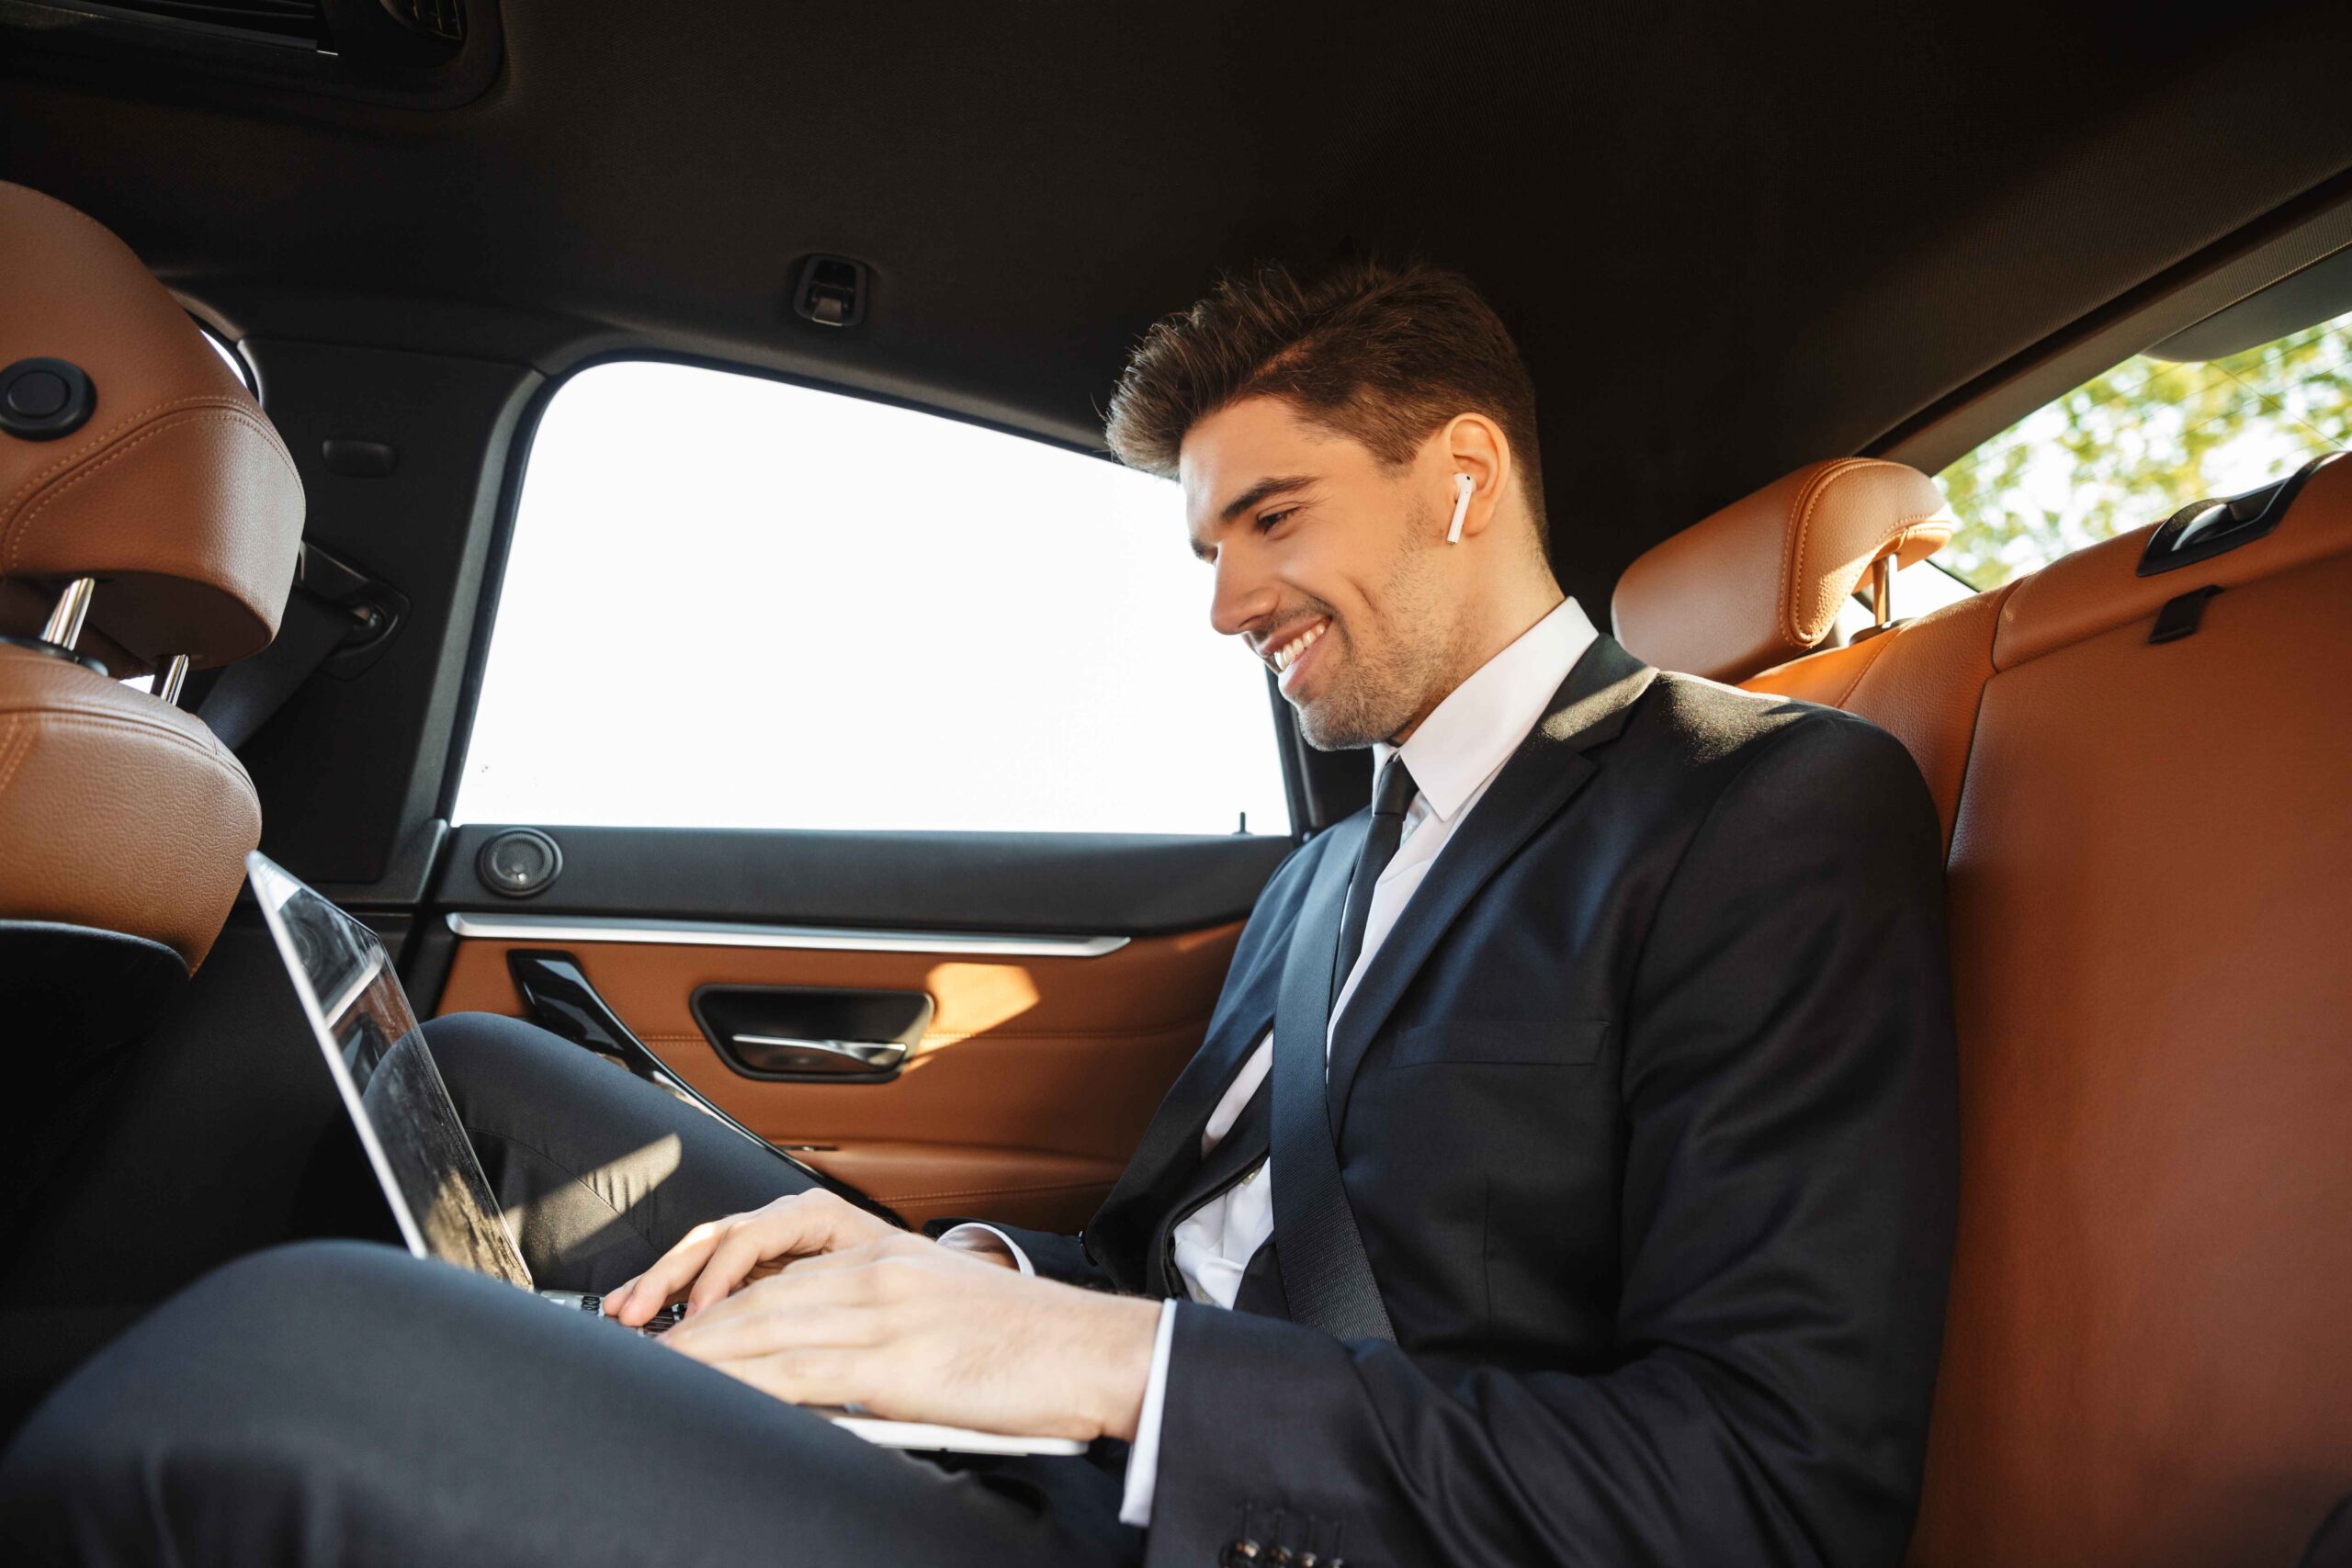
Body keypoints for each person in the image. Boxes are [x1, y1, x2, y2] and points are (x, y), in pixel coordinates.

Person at [0, 258, 1958, 1567]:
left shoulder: (1759, 807)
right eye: (1202, 546)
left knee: (280, 1358)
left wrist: (1098, 1374)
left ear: (1459, 481)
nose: (1220, 604)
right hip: (1087, 1445)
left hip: (1238, 1515)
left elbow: (1766, 1486)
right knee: (491, 1087)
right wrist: (971, 1284)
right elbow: (1165, 1238)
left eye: (1269, 520)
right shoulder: (1327, 867)